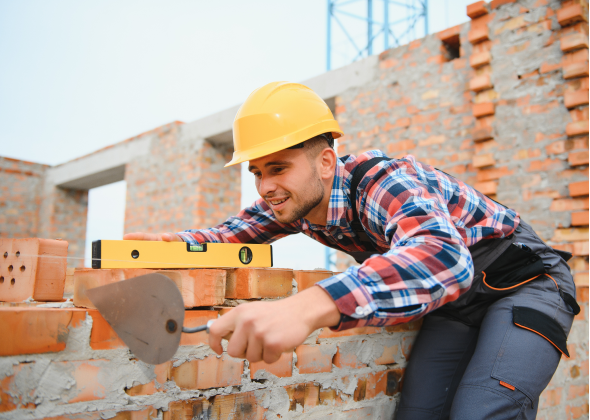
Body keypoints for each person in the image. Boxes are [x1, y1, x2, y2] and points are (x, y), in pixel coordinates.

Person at [124, 81, 579, 419]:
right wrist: (164, 247)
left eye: (277, 168)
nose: (266, 187)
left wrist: (309, 306)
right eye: (257, 172)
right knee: (418, 412)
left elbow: (444, 256)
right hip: (456, 304)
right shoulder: (294, 202)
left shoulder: (381, 181)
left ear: (326, 162)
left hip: (525, 284)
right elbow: (227, 236)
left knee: (481, 411)